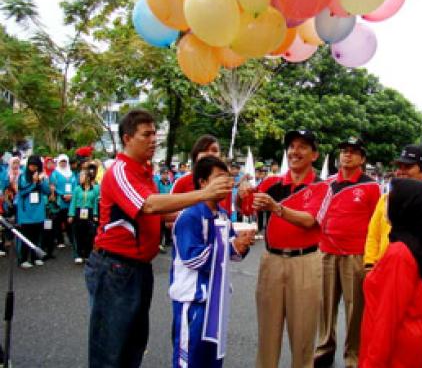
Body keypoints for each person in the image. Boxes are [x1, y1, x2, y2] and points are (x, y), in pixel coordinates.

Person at [84, 109, 234, 368]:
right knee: (111, 350)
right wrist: (204, 195)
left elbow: (161, 214)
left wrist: (205, 212)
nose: (154, 140)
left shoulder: (144, 172)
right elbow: (149, 205)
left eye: (155, 133)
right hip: (115, 268)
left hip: (138, 268)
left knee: (132, 345)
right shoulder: (120, 170)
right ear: (127, 138)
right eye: (146, 134)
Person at [240, 129, 328, 368]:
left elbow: (309, 220)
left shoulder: (321, 187)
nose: (294, 152)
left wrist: (276, 208)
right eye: (291, 146)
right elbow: (247, 208)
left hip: (305, 262)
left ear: (314, 155)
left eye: (302, 147)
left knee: (302, 338)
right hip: (271, 261)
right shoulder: (271, 183)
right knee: (267, 335)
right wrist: (242, 192)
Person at [169, 156, 255, 368]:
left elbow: (232, 254)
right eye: (219, 177)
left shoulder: (223, 215)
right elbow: (193, 258)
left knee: (213, 359)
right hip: (193, 302)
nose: (226, 182)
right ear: (203, 183)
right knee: (189, 361)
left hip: (217, 301)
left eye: (227, 177)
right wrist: (232, 247)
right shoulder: (189, 216)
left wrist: (242, 244)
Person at [359, 178, 422, 368]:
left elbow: (387, 320)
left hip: (395, 352)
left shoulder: (399, 253)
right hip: (414, 341)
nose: (385, 203)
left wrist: (371, 363)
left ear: (404, 208)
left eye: (391, 199)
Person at [313, 137, 380, 368]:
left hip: (356, 255)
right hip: (326, 252)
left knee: (355, 310)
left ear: (362, 158)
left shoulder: (371, 186)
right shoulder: (327, 183)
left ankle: (353, 356)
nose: (347, 155)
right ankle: (324, 349)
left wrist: (373, 259)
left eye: (353, 151)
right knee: (325, 306)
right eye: (343, 151)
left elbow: (376, 224)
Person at [364, 145, 422, 270]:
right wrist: (369, 264)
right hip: (380, 270)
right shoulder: (385, 200)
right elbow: (373, 235)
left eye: (408, 167)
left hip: (413, 274)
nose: (401, 172)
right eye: (399, 167)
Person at [171, 135, 231, 212]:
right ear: (196, 155)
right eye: (204, 150)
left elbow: (227, 214)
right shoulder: (182, 182)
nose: (210, 153)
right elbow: (168, 213)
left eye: (214, 150)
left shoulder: (225, 184)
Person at [16, 155, 51, 268]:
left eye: (35, 166)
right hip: (26, 211)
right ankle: (23, 259)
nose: (33, 168)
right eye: (31, 165)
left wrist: (41, 181)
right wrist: (34, 183)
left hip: (38, 210)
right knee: (26, 236)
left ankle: (35, 257)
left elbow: (47, 191)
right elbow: (22, 192)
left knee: (37, 235)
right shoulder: (22, 176)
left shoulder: (42, 176)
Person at [68, 170, 99, 264]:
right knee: (78, 234)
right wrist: (71, 214)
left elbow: (95, 202)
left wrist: (95, 214)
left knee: (89, 234)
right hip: (79, 211)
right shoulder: (77, 189)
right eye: (80, 176)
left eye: (82, 176)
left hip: (89, 212)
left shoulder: (94, 189)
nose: (80, 178)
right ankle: (78, 254)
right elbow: (73, 202)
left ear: (88, 178)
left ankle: (87, 254)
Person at [49, 154, 77, 249]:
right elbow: (53, 186)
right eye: (61, 162)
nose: (63, 163)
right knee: (58, 221)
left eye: (65, 162)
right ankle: (60, 240)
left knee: (69, 221)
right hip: (59, 201)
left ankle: (72, 239)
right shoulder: (55, 173)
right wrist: (62, 194)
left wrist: (72, 195)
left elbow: (75, 185)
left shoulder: (71, 174)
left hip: (70, 201)